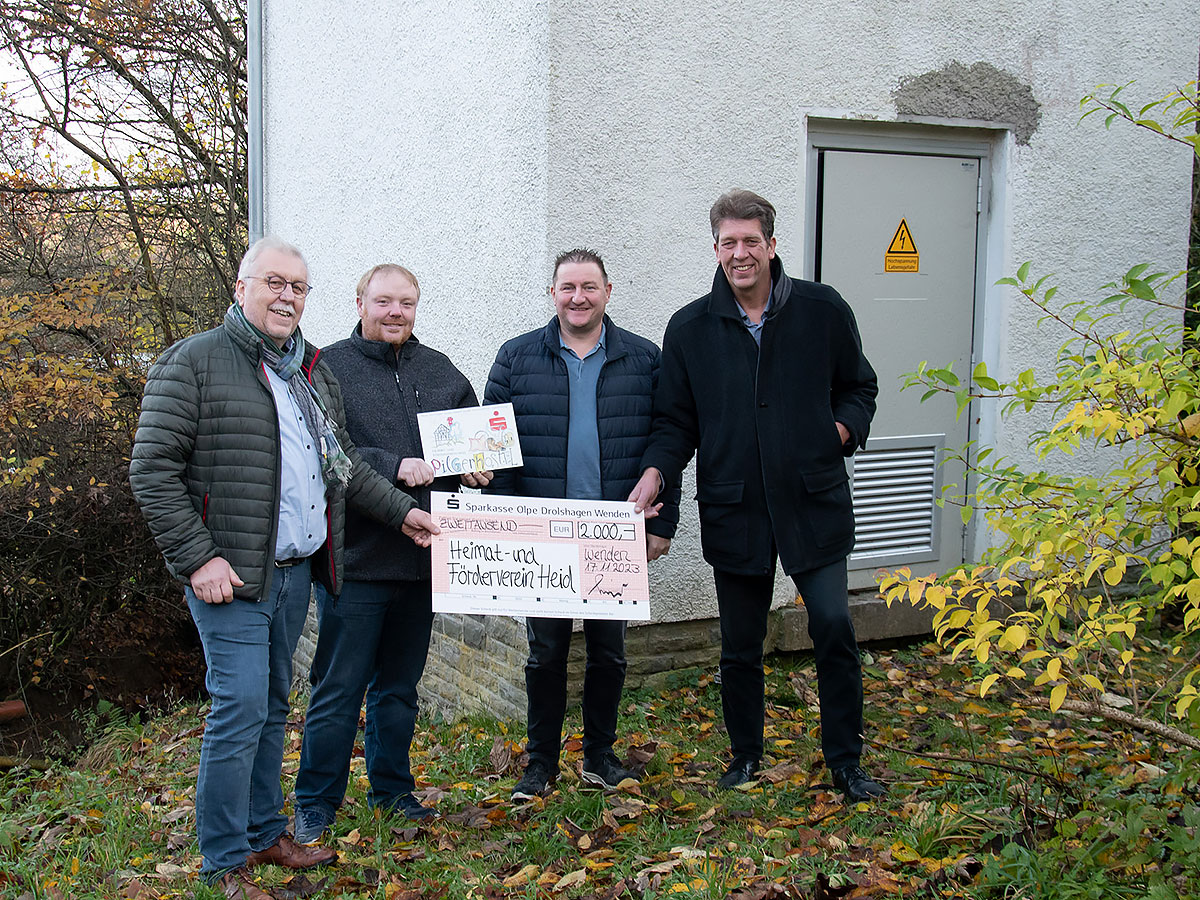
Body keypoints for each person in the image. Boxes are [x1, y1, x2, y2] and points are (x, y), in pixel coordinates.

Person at [129, 237, 440, 900]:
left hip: (295, 573)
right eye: (273, 282)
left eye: (297, 287)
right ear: (241, 288)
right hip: (231, 577)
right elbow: (151, 471)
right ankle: (223, 860)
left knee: (272, 706)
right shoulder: (194, 362)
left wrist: (402, 514)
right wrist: (198, 558)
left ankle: (266, 832)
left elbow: (342, 467)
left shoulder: (308, 370)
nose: (286, 296)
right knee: (239, 707)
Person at [628, 189, 885, 802]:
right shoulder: (690, 328)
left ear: (772, 245)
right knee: (740, 644)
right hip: (735, 505)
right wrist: (656, 473)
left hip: (811, 500)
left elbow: (859, 386)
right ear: (715, 249)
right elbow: (675, 422)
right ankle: (746, 755)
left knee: (832, 627)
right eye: (728, 243)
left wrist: (839, 430)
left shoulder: (823, 310)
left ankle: (845, 761)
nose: (740, 254)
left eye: (751, 242)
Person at [293, 264, 491, 841]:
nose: (395, 312)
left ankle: (392, 792)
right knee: (338, 688)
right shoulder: (325, 368)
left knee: (399, 690)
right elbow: (324, 454)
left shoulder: (444, 373)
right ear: (359, 302)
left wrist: (476, 475)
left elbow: (465, 457)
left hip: (422, 562)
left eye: (406, 302)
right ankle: (316, 802)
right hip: (357, 562)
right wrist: (391, 465)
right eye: (383, 301)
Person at [485, 248, 679, 801]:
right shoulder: (517, 358)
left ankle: (599, 756)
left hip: (611, 536)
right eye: (567, 287)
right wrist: (502, 523)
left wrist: (665, 522)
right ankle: (540, 763)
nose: (578, 297)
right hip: (542, 534)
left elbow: (670, 442)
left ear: (607, 292)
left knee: (608, 651)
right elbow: (491, 450)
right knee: (545, 652)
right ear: (553, 293)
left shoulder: (644, 359)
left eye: (589, 287)